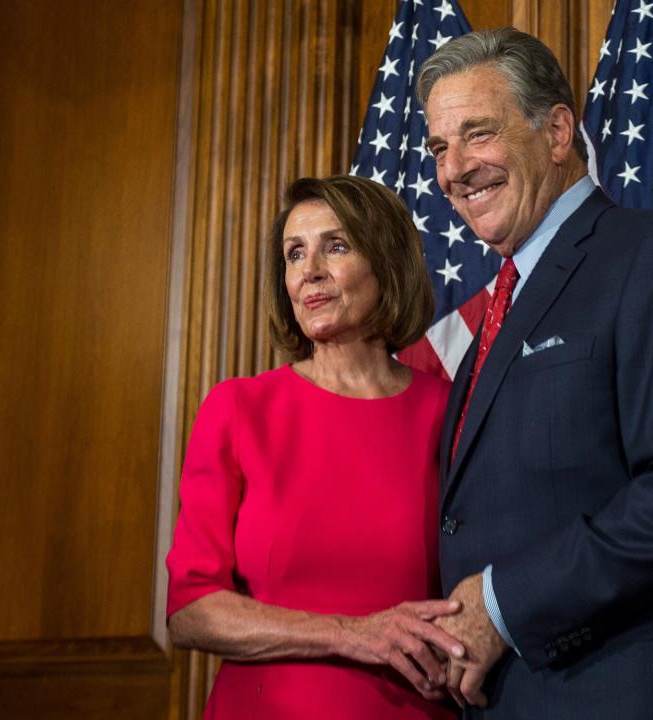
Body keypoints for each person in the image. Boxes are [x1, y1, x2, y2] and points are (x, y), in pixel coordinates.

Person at [417, 28, 653, 719]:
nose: (454, 168)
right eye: (438, 147)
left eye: (477, 135)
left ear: (555, 132)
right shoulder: (495, 315)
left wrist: (501, 604)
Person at [165, 175, 463, 719]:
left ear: (388, 263)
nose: (310, 271)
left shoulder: (453, 413)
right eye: (294, 253)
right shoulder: (239, 410)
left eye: (337, 246)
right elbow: (190, 610)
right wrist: (352, 634)